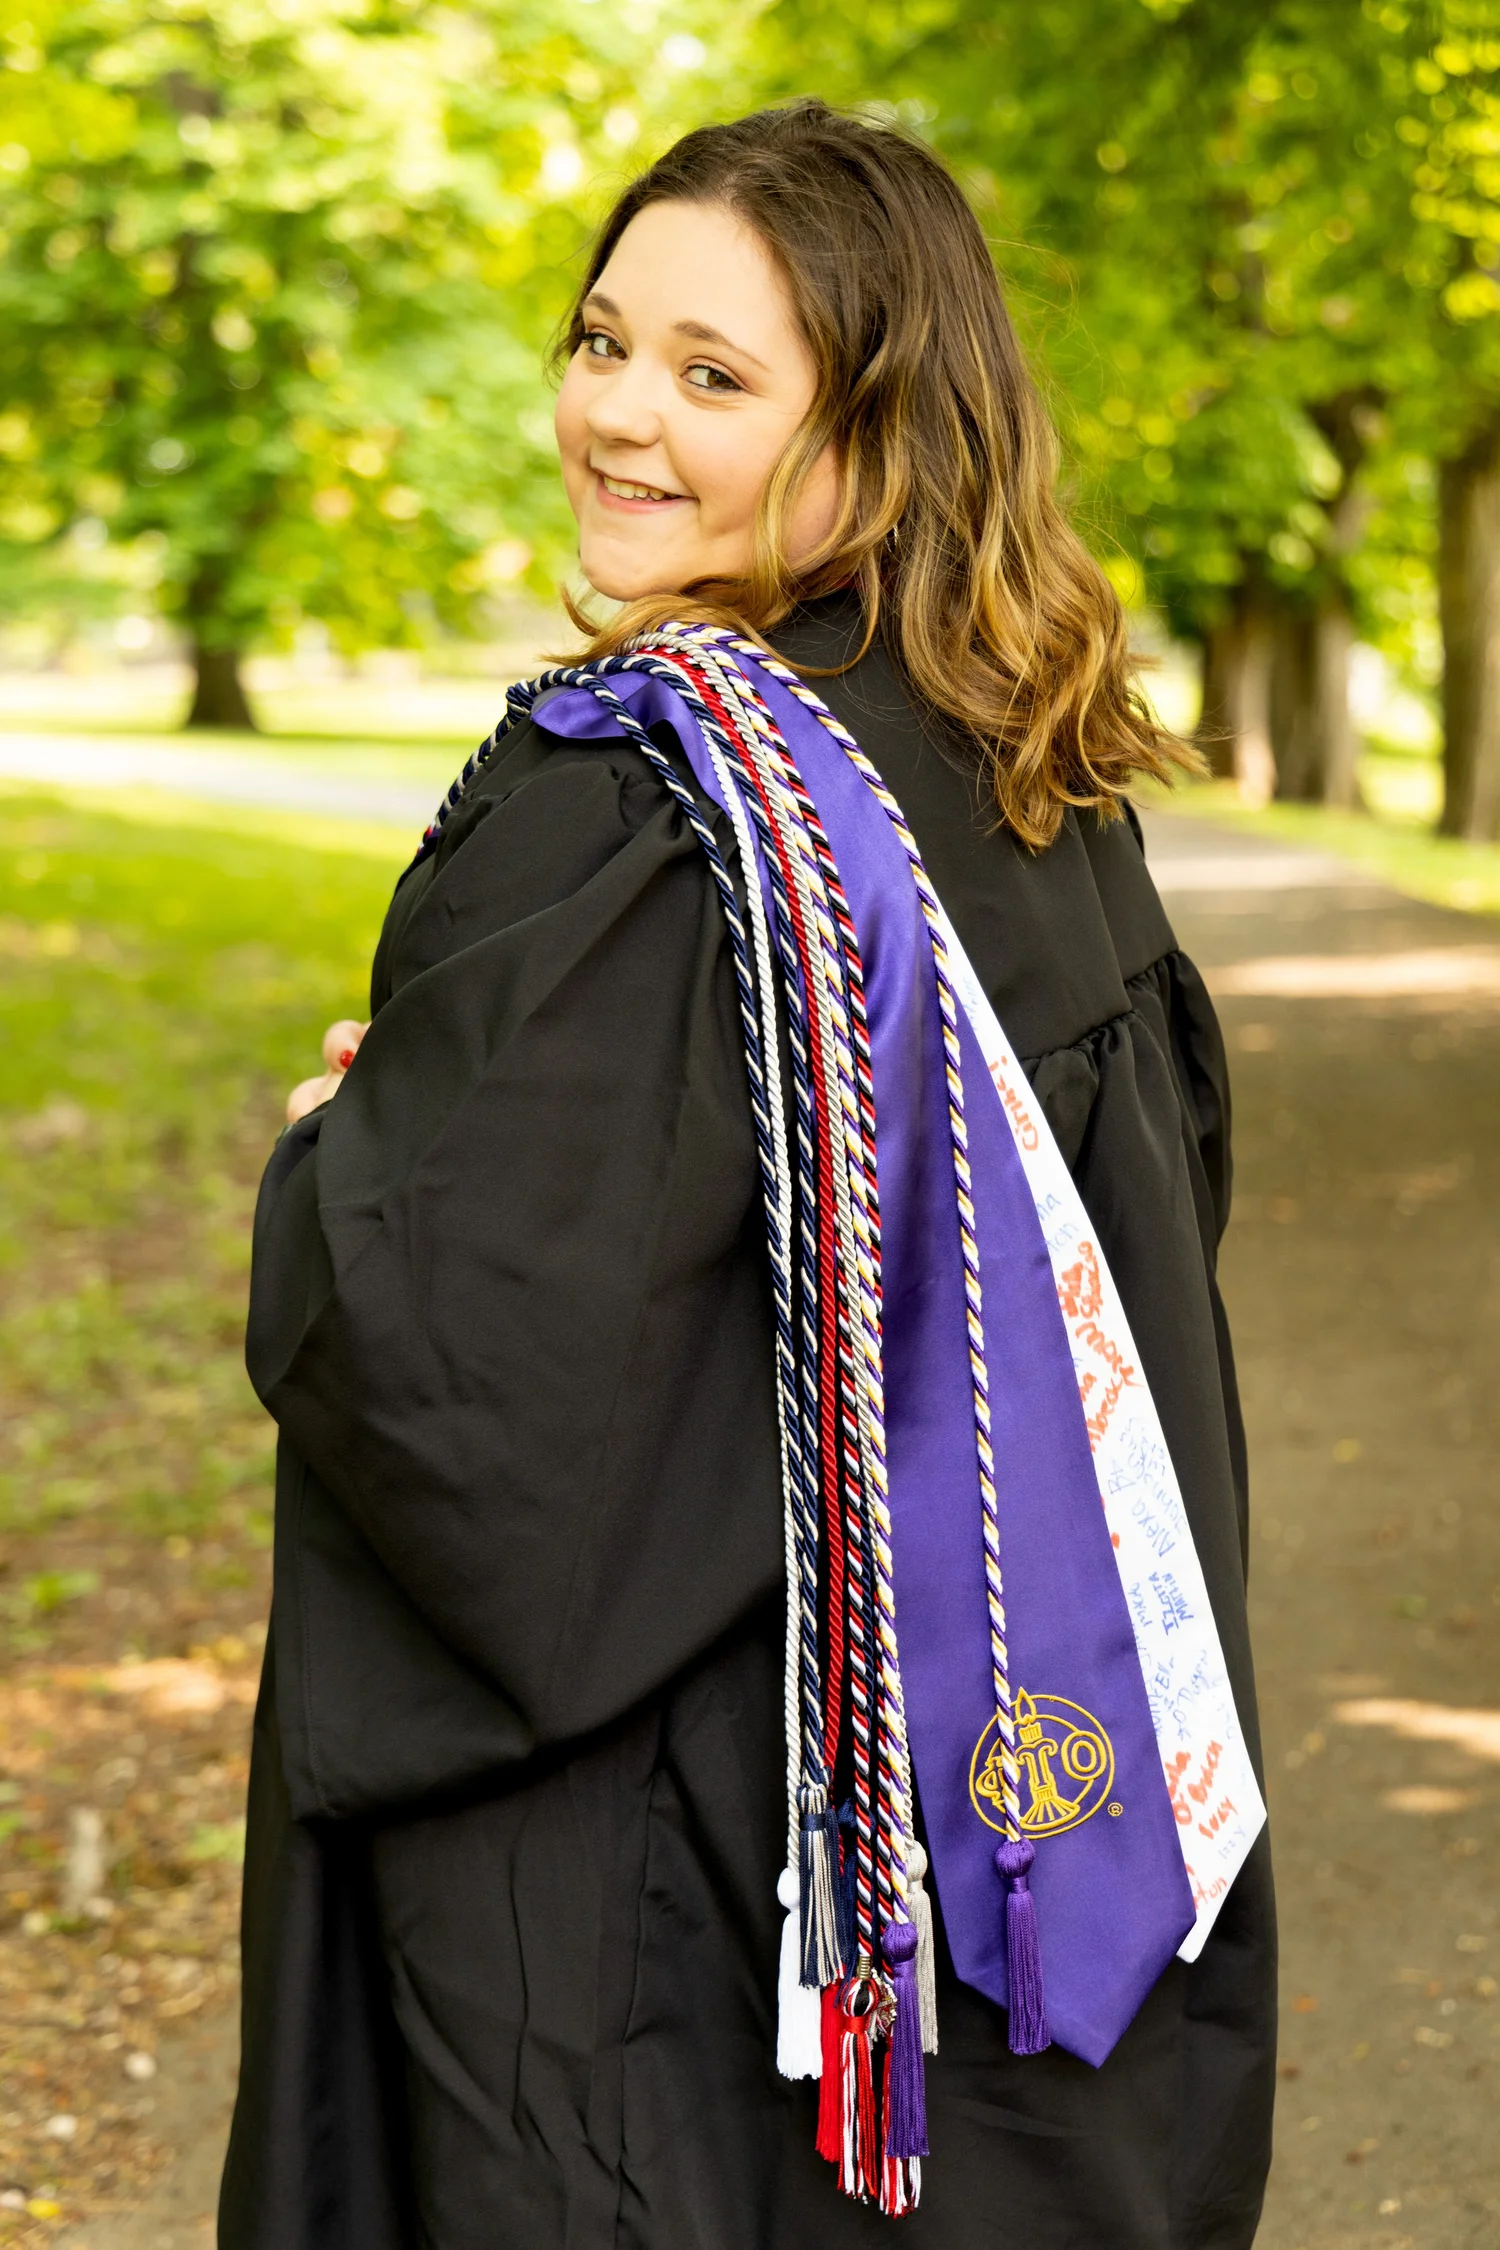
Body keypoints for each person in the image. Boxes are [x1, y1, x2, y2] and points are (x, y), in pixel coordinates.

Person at [220, 100, 1274, 2250]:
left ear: (886, 432)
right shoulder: (1026, 768)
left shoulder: (647, 806)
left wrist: (344, 1165)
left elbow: (454, 1354)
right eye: (605, 342)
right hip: (963, 1816)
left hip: (692, 1894)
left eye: (715, 376)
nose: (619, 414)